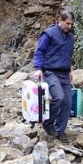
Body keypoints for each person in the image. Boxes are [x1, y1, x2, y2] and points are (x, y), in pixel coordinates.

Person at [33, 12, 75, 143]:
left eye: (71, 24)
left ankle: (60, 130)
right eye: (67, 23)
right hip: (50, 71)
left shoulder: (70, 38)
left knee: (67, 103)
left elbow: (67, 55)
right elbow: (39, 52)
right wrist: (38, 68)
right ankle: (48, 122)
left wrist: (69, 70)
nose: (69, 26)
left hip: (64, 73)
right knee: (59, 97)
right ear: (59, 20)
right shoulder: (49, 34)